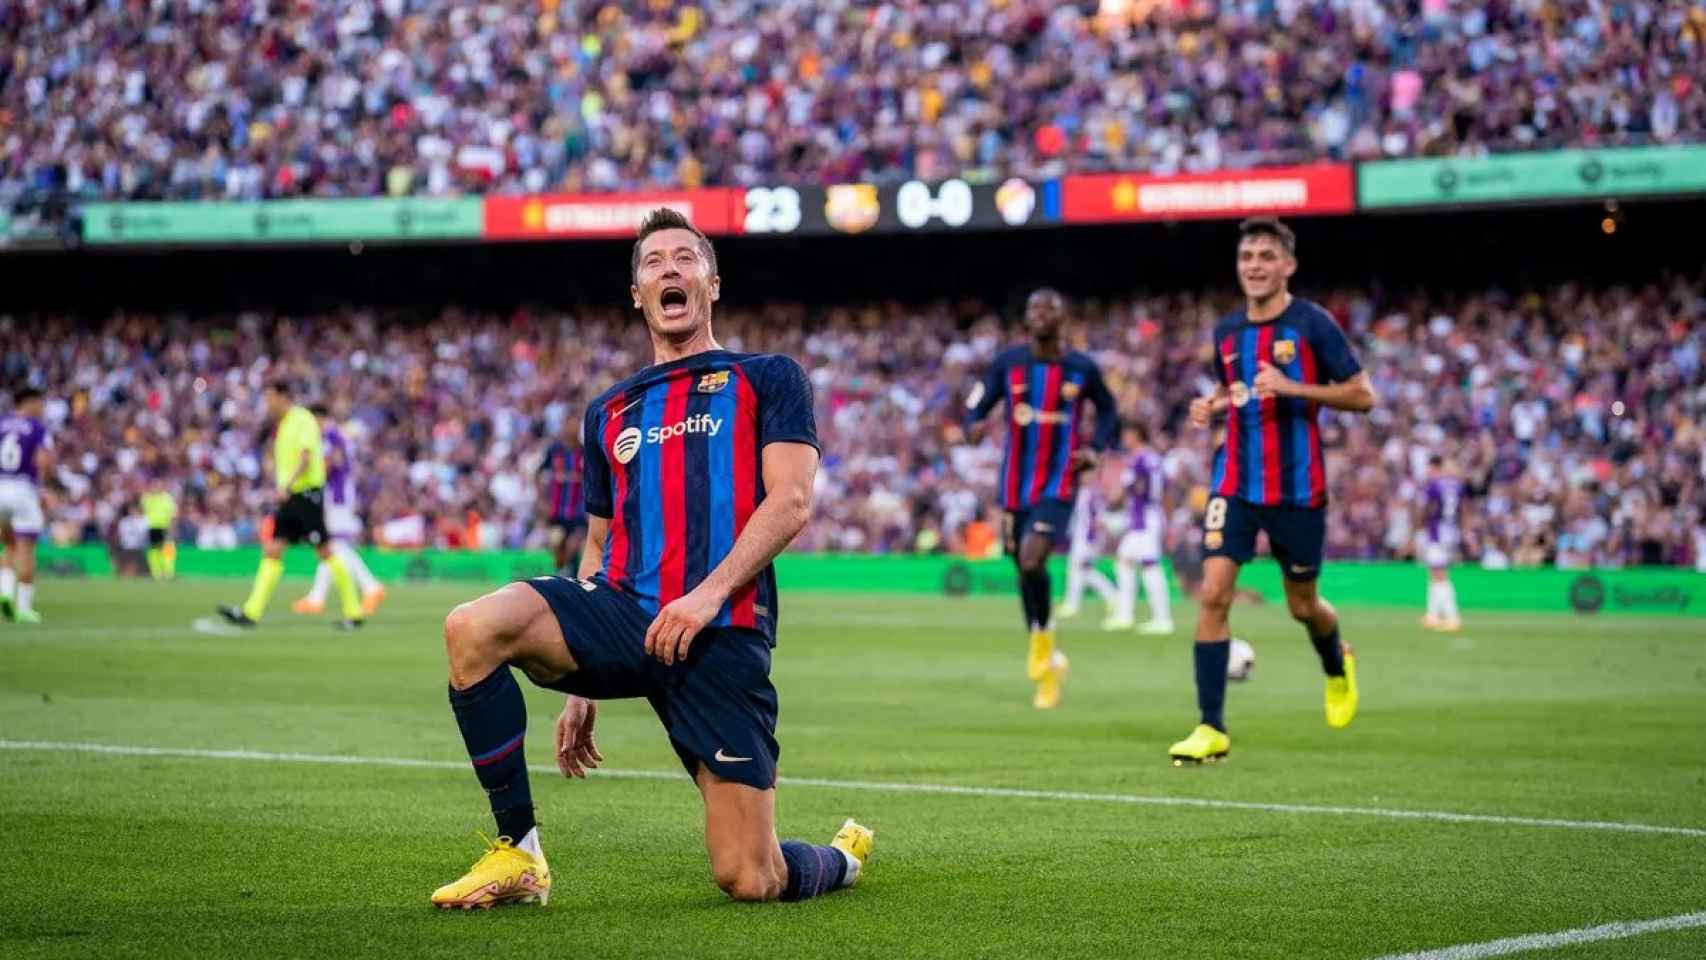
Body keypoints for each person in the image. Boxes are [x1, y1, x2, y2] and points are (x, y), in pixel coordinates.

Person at [429, 208, 872, 910]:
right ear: (637, 293)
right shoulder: (610, 409)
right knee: (473, 626)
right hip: (626, 615)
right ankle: (521, 852)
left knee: (750, 878)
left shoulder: (768, 377)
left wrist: (704, 596)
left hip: (720, 631)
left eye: (685, 258)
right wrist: (580, 682)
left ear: (712, 283)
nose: (669, 268)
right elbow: (601, 544)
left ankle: (841, 859)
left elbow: (790, 502)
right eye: (653, 262)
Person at [1171, 217, 1378, 765]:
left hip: (1296, 489)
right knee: (1213, 593)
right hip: (1234, 482)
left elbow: (1363, 396)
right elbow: (1234, 387)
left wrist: (1293, 387)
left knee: (1302, 606)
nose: (1255, 265)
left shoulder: (1312, 324)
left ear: (1288, 265)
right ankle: (1210, 728)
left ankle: (1338, 665)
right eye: (1247, 257)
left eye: (1266, 256)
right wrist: (1212, 403)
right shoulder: (1227, 332)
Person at [964, 289, 1119, 708]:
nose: (1039, 314)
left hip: (1059, 481)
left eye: (1048, 308)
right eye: (1033, 308)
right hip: (1015, 484)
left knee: (1033, 559)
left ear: (1063, 318)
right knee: (1023, 571)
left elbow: (1108, 410)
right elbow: (978, 403)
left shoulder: (1081, 368)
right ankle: (1047, 657)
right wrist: (974, 424)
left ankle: (1042, 641)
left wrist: (1096, 449)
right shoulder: (1008, 363)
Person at [217, 382, 365, 630]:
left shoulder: (302, 419)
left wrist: (287, 485)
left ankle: (354, 611)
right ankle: (251, 612)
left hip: (306, 494)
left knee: (325, 551)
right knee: (273, 549)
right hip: (291, 496)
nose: (267, 403)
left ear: (284, 397)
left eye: (270, 397)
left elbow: (306, 457)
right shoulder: (284, 424)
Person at [293, 403, 384, 616]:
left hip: (338, 495)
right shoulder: (337, 435)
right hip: (340, 494)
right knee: (333, 546)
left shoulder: (330, 436)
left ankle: (369, 587)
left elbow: (329, 464)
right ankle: (320, 597)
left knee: (333, 545)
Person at [1113, 424, 1175, 636]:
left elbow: (1156, 489)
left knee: (1150, 564)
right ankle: (1125, 614)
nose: (1124, 439)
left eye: (1127, 434)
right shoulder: (1146, 458)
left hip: (1146, 517)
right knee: (1124, 561)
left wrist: (1164, 517)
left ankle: (1162, 619)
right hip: (1142, 517)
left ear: (1136, 435)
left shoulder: (1143, 459)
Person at [0, 389, 52, 623]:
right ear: (28, 402)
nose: (42, 408)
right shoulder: (36, 427)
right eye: (39, 403)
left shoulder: (2, 423)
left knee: (8, 545)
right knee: (26, 549)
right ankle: (23, 608)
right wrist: (44, 486)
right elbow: (43, 460)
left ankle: (4, 591)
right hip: (22, 489)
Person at [1057, 479, 1118, 624]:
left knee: (1083, 569)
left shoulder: (1091, 494)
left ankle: (1112, 596)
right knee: (1077, 570)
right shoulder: (1084, 492)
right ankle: (1073, 603)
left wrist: (1093, 540)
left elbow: (1097, 518)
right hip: (1080, 536)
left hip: (1087, 538)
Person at [1418, 455, 1465, 631]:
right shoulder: (1455, 485)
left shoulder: (1434, 485)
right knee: (1435, 572)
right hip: (1451, 531)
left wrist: (1420, 525)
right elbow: (1461, 509)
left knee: (1440, 574)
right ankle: (1433, 614)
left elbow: (1428, 507)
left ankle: (1452, 616)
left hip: (1437, 532)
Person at [537, 415, 587, 575]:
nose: (573, 430)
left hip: (578, 509)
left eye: (576, 426)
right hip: (556, 510)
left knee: (574, 543)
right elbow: (538, 474)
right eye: (570, 426)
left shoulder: (584, 452)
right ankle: (566, 572)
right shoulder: (554, 451)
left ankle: (564, 572)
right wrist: (542, 500)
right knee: (557, 544)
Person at [142, 474, 178, 581]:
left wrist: (172, 526)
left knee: (168, 550)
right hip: (151, 527)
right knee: (154, 551)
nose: (155, 487)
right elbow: (143, 513)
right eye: (154, 485)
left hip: (164, 527)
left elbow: (173, 514)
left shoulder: (167, 498)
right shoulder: (147, 498)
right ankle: (156, 573)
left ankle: (169, 572)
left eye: (157, 485)